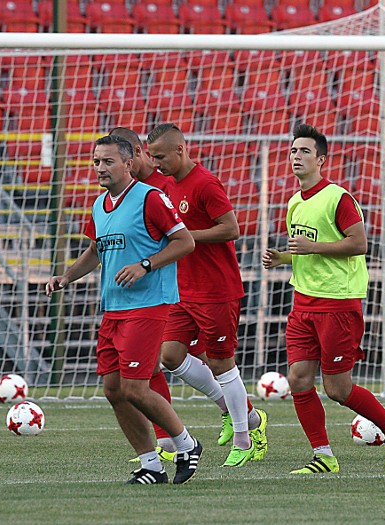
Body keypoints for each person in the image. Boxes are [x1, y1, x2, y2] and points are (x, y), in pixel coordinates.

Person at [45, 135, 201, 484]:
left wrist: (145, 264)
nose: (100, 167)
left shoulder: (150, 198)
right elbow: (97, 250)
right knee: (114, 390)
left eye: (108, 161)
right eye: (96, 161)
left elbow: (185, 242)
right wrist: (66, 276)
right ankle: (151, 465)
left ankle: (187, 444)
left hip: (149, 306)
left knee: (134, 388)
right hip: (114, 307)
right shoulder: (100, 204)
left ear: (129, 163)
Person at [262, 123, 385, 474]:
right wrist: (282, 258)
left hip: (338, 303)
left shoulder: (338, 198)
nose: (296, 157)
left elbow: (359, 244)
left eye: (304, 152)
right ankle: (324, 456)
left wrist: (312, 247)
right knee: (298, 379)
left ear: (321, 159)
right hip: (303, 302)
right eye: (293, 151)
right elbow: (307, 251)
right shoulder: (295, 201)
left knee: (337, 388)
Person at [109, 126, 236, 461]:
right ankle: (168, 439)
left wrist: (173, 241)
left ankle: (245, 424)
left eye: (114, 160)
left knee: (217, 361)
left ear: (133, 155)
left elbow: (222, 230)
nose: (108, 168)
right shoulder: (130, 192)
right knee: (161, 359)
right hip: (171, 288)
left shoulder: (176, 184)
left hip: (207, 285)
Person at [146, 123, 268, 467]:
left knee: (220, 362)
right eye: (152, 157)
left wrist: (185, 236)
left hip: (216, 289)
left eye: (160, 157)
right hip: (183, 288)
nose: (157, 164)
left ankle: (245, 438)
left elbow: (231, 228)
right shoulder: (167, 185)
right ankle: (235, 411)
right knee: (169, 355)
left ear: (180, 151)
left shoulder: (206, 183)